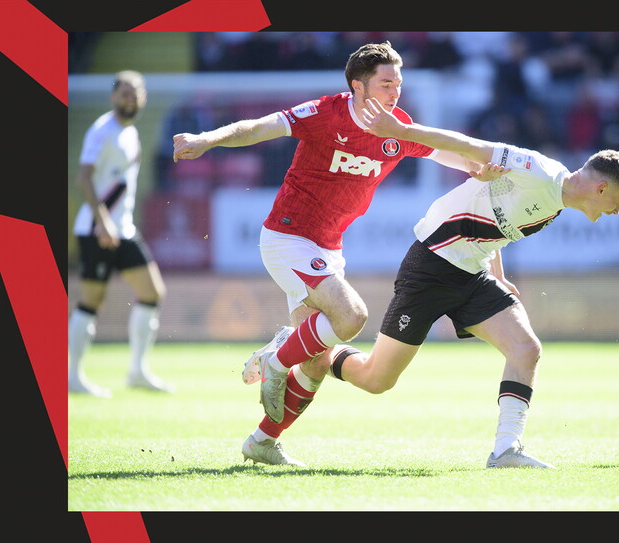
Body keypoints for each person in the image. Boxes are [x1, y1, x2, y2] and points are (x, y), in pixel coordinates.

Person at [253, 97, 619, 469]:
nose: (616, 210)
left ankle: (506, 449)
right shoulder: (539, 170)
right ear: (601, 188)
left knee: (526, 349)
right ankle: (299, 346)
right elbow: (466, 144)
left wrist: (499, 278)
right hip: (431, 267)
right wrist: (400, 129)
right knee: (376, 379)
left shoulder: (556, 201)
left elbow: (494, 225)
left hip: (471, 276)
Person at [172, 42, 487, 466]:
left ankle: (262, 441)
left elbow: (436, 149)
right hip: (288, 237)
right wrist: (206, 139)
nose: (396, 91)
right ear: (359, 86)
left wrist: (472, 164)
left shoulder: (399, 128)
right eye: (386, 83)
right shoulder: (326, 113)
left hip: (327, 248)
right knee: (351, 317)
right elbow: (259, 127)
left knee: (318, 361)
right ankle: (276, 358)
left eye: (399, 83)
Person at [69, 70, 174, 398]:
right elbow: (84, 178)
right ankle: (71, 375)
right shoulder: (103, 130)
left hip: (123, 230)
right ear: (113, 96)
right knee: (91, 301)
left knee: (152, 291)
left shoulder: (129, 133)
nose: (130, 98)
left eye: (136, 93)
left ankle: (137, 371)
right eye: (125, 93)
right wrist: (102, 221)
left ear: (142, 99)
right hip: (96, 229)